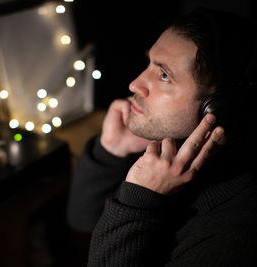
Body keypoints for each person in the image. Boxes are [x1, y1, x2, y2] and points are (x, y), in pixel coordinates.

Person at [67, 7, 257, 266]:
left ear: (218, 108)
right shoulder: (166, 151)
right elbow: (83, 220)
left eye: (164, 75)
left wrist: (141, 200)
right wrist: (110, 152)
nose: (134, 84)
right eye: (149, 64)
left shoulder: (233, 236)